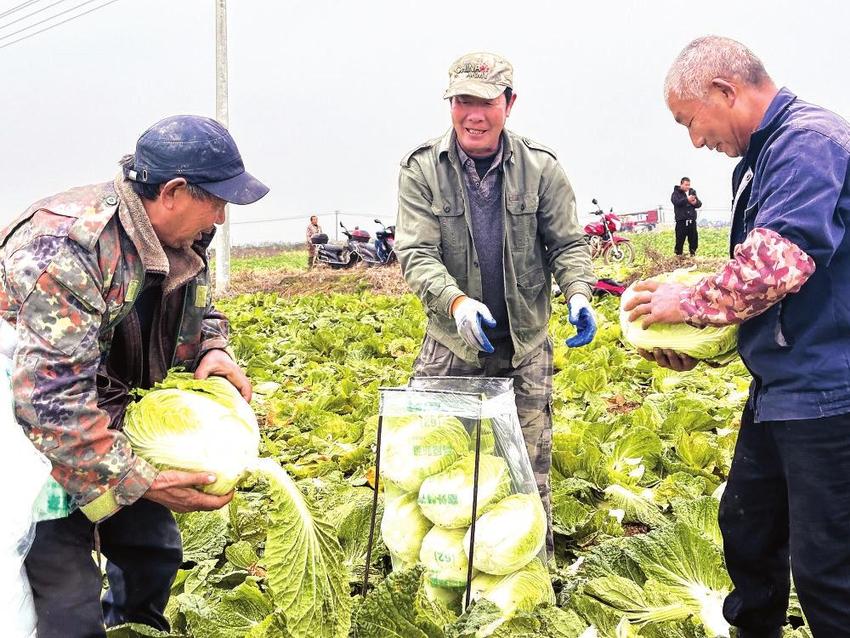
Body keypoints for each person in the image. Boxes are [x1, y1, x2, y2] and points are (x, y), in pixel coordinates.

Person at [0, 115, 269, 637]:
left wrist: (211, 349)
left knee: (153, 550)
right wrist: (140, 480)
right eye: (216, 199)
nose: (221, 214)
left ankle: (133, 628)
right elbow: (50, 401)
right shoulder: (65, 247)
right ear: (172, 192)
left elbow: (196, 309)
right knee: (66, 603)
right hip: (30, 440)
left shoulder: (186, 235)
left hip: (103, 415)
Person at [624, 36, 850, 636]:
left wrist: (684, 300)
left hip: (829, 393)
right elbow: (774, 303)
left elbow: (776, 267)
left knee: (828, 570)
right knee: (748, 534)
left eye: (690, 120)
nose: (695, 140)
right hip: (780, 388)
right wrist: (698, 350)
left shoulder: (809, 143)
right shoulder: (761, 160)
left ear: (725, 91)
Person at [395, 51, 597, 556]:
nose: (474, 115)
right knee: (437, 473)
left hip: (525, 345)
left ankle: (533, 584)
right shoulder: (422, 169)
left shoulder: (541, 168)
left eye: (486, 102)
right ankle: (437, 576)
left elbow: (567, 244)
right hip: (451, 346)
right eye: (463, 101)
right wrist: (457, 303)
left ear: (510, 103)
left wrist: (577, 293)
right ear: (451, 104)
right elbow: (416, 253)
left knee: (526, 473)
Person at [670, 176, 702, 256]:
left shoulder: (692, 192)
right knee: (680, 240)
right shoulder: (675, 193)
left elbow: (699, 204)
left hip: (692, 221)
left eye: (689, 185)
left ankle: (693, 254)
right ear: (681, 184)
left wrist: (695, 202)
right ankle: (678, 255)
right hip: (681, 221)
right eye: (686, 185)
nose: (688, 187)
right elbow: (676, 202)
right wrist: (687, 200)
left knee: (693, 239)